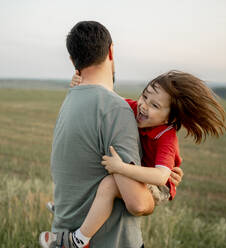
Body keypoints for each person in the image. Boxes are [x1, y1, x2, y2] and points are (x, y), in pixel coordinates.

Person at [39, 21, 183, 248]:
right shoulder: (116, 110)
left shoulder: (70, 100)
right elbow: (137, 204)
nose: (144, 107)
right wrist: (149, 197)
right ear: (111, 51)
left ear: (73, 61)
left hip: (62, 233)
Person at [47, 70, 226, 248]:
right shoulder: (133, 108)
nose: (144, 105)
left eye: (155, 106)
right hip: (139, 170)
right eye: (144, 96)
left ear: (170, 118)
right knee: (98, 171)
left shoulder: (167, 137)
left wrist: (121, 168)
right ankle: (69, 209)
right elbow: (105, 101)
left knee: (109, 184)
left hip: (157, 185)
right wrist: (81, 86)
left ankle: (80, 239)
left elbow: (161, 177)